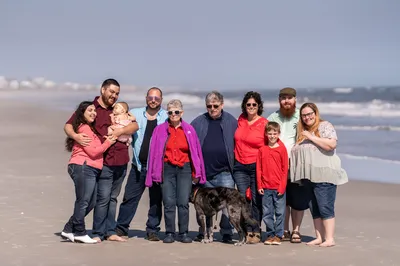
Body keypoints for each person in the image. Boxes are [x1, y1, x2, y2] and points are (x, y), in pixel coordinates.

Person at [64, 78, 138, 243]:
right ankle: (97, 232)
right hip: (102, 160)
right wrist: (75, 136)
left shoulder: (119, 109)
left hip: (122, 159)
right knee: (102, 198)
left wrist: (119, 132)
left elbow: (134, 126)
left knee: (113, 198)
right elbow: (69, 125)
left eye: (117, 93)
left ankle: (110, 231)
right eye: (111, 92)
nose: (114, 96)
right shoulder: (91, 109)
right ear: (103, 90)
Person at [145, 99, 206, 244]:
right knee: (168, 201)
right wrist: (153, 172)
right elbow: (153, 152)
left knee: (183, 202)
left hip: (184, 168)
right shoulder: (159, 129)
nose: (173, 114)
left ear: (182, 113)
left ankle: (183, 233)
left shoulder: (189, 129)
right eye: (170, 112)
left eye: (176, 112)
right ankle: (170, 233)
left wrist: (197, 172)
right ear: (167, 113)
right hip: (166, 169)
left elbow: (196, 152)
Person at [290, 102, 348, 247]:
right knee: (314, 207)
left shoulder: (325, 126)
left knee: (325, 206)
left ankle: (329, 239)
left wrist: (311, 137)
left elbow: (331, 145)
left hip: (325, 174)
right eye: (304, 115)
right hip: (308, 176)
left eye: (310, 114)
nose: (307, 117)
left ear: (315, 113)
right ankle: (319, 237)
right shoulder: (302, 132)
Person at [115, 87, 168, 241]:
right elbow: (118, 118)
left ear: (161, 100)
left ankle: (153, 230)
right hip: (138, 166)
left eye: (157, 98)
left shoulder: (166, 116)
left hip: (158, 168)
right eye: (151, 97)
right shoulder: (135, 114)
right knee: (129, 198)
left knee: (156, 201)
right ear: (146, 98)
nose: (153, 100)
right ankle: (121, 228)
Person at [61, 101, 116, 244]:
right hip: (83, 166)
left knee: (91, 202)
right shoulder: (84, 128)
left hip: (90, 168)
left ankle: (68, 229)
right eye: (89, 110)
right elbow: (93, 152)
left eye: (94, 110)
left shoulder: (90, 129)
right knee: (83, 201)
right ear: (82, 113)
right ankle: (80, 232)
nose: (93, 113)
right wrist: (109, 142)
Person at [191, 91, 237, 243]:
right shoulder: (198, 122)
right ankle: (203, 231)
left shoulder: (231, 121)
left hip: (225, 172)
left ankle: (226, 233)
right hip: (204, 173)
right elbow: (189, 144)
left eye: (215, 106)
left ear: (222, 105)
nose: (212, 109)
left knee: (226, 206)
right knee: (203, 206)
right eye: (209, 106)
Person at [267, 87, 307, 244]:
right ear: (279, 100)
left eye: (289, 98)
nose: (286, 101)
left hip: (297, 165)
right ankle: (283, 229)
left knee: (297, 199)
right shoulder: (272, 117)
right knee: (281, 198)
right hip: (277, 166)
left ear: (295, 99)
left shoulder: (301, 116)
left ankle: (296, 230)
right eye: (283, 98)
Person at [233, 91, 268, 244]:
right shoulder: (240, 120)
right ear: (244, 106)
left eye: (254, 104)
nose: (251, 107)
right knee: (242, 199)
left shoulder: (264, 123)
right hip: (239, 165)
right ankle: (247, 230)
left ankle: (256, 230)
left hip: (257, 166)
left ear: (259, 106)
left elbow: (269, 145)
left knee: (256, 199)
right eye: (248, 104)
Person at [256, 122, 288, 245]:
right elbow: (258, 169)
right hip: (265, 187)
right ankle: (270, 234)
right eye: (270, 133)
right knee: (267, 213)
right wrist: (260, 185)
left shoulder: (282, 149)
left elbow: (285, 169)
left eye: (275, 133)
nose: (272, 136)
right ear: (266, 134)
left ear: (279, 134)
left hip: (278, 187)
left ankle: (279, 235)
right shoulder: (262, 150)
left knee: (280, 212)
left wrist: (282, 186)